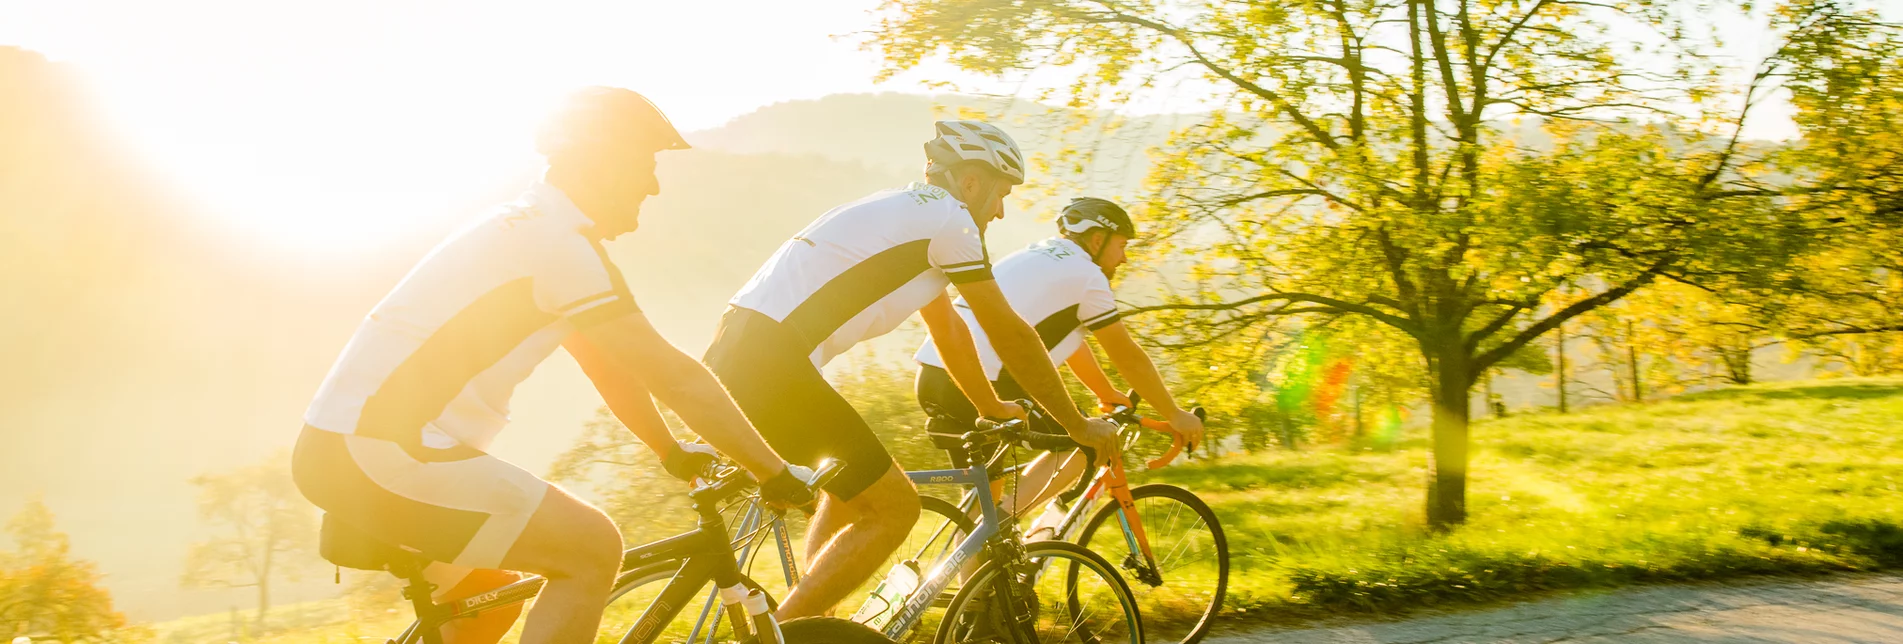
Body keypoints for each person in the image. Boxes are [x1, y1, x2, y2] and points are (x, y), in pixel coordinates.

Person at [291, 87, 811, 644]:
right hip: (382, 449)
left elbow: (609, 366)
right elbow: (673, 375)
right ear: (605, 163)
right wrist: (774, 472)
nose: (653, 184)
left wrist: (671, 452)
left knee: (484, 605)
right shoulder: (560, 247)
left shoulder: (531, 227)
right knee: (591, 550)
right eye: (646, 163)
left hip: (354, 448)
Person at [703, 120, 1121, 618]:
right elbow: (1008, 331)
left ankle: (815, 620)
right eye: (1002, 193)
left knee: (850, 479)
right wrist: (1077, 424)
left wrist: (990, 405)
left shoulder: (905, 214)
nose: (1002, 209)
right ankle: (787, 631)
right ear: (970, 183)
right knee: (897, 507)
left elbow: (949, 330)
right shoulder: (953, 222)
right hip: (771, 363)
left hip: (736, 348)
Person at [914, 197, 1206, 523]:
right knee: (1084, 444)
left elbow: (1067, 341)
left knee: (978, 510)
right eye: (1122, 246)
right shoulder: (1088, 276)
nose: (1123, 258)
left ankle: (981, 556)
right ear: (1098, 240)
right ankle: (1001, 526)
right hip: (986, 382)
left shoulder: (1036, 255)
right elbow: (1126, 354)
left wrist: (1105, 392)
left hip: (937, 375)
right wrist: (1174, 414)